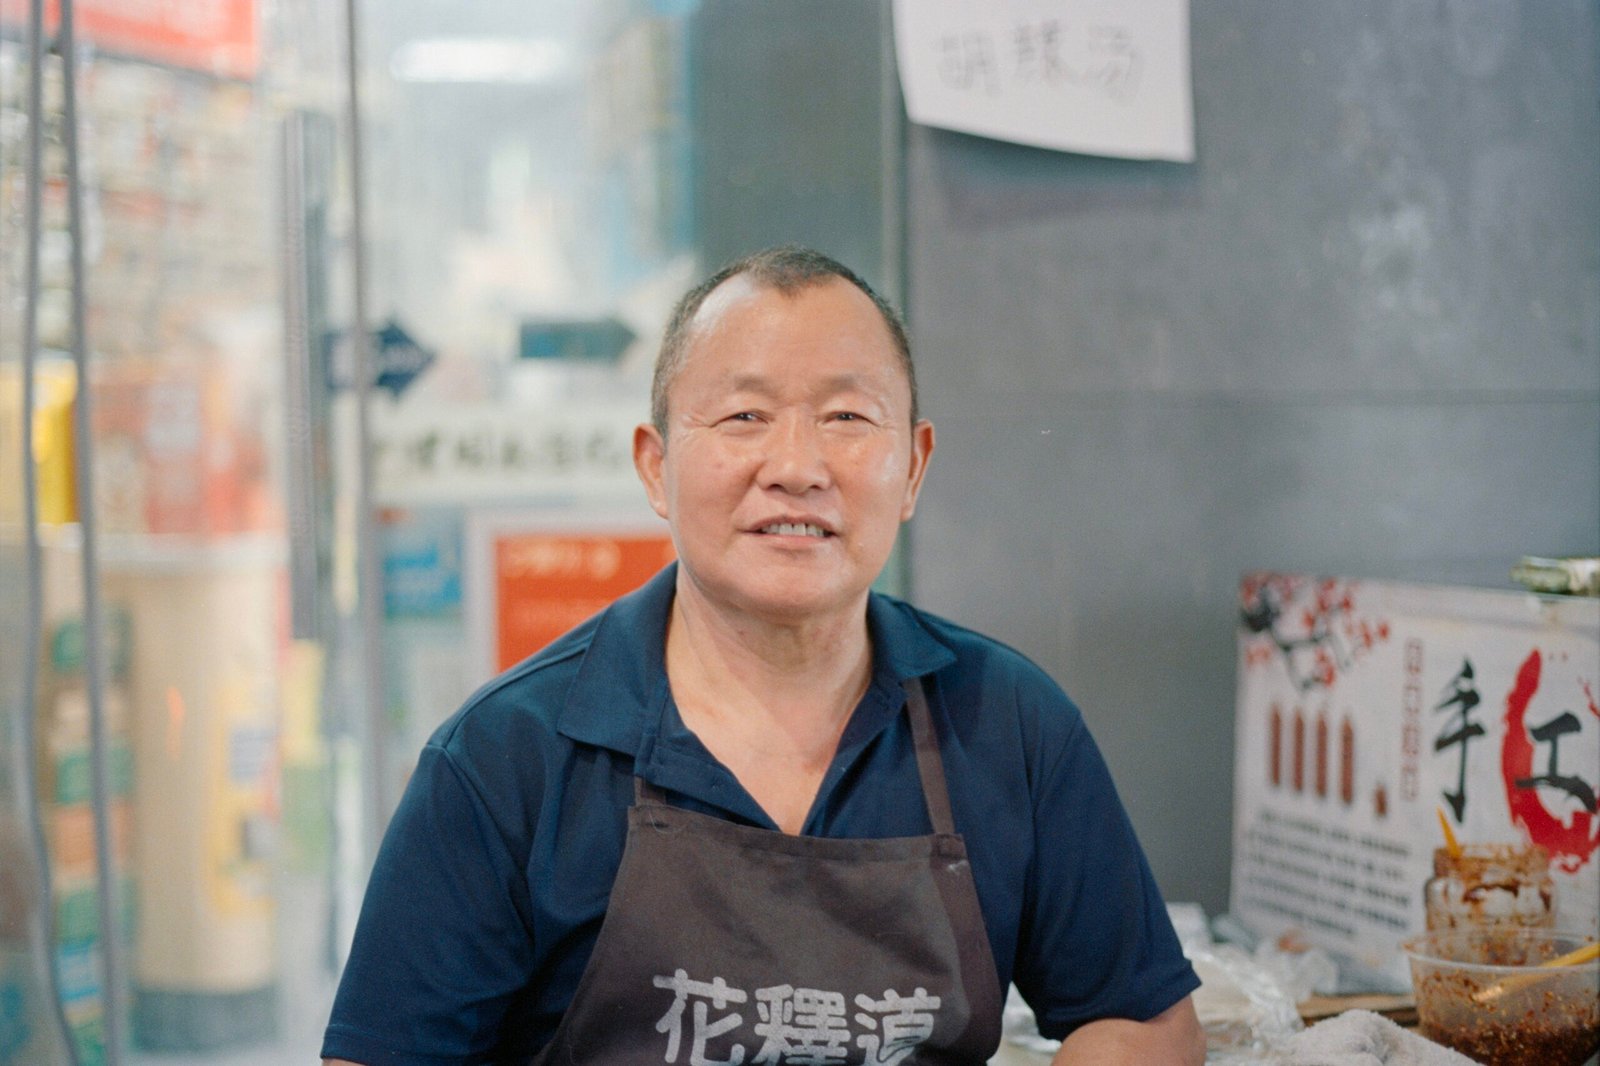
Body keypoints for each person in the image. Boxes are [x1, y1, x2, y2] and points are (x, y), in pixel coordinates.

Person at [321, 247, 1204, 1066]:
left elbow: (1143, 1019)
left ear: (915, 468)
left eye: (848, 417)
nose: (797, 466)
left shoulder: (1008, 721)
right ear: (654, 466)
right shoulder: (503, 759)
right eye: (745, 416)